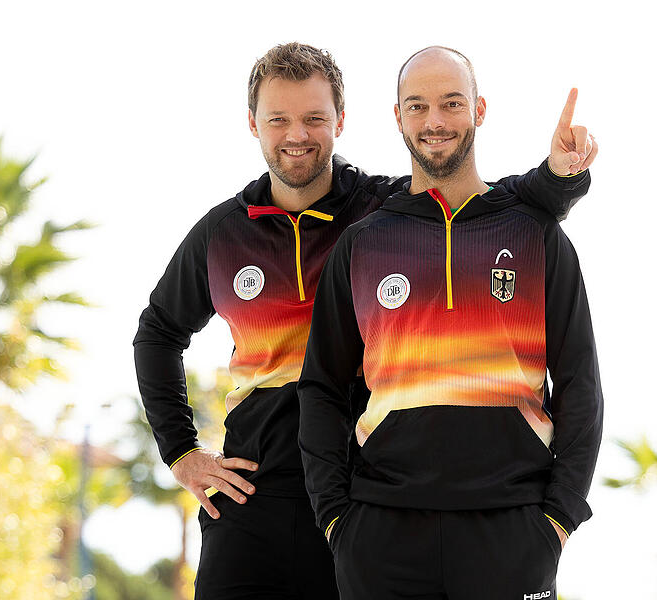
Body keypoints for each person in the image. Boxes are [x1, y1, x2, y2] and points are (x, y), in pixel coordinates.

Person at [134, 42, 595, 600]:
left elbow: (481, 199)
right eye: (278, 119)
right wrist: (182, 451)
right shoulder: (222, 232)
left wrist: (559, 177)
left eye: (314, 118)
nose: (296, 134)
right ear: (252, 124)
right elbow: (157, 334)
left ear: (341, 122)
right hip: (254, 491)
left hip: (360, 489)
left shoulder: (382, 210)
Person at [298, 46, 603, 600]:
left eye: (451, 103)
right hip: (379, 533)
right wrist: (336, 520)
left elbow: (581, 385)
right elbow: (321, 387)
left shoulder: (538, 239)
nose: (434, 121)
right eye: (417, 106)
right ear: (397, 117)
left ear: (479, 110)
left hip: (512, 531)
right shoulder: (361, 245)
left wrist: (558, 518)